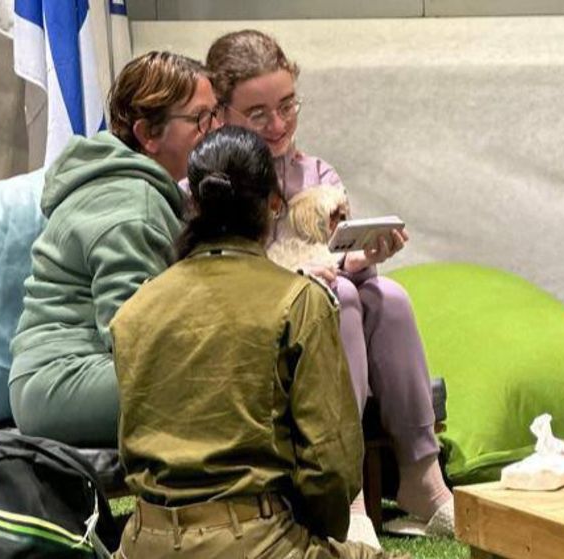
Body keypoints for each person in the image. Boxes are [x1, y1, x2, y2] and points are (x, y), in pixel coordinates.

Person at [206, 30, 454, 542]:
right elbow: (212, 273)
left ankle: (421, 475)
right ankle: (348, 491)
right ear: (222, 113)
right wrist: (299, 277)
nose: (278, 125)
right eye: (257, 115)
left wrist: (364, 257)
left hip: (326, 308)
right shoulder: (210, 180)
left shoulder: (316, 173)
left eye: (287, 105)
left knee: (389, 296)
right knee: (336, 297)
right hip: (252, 330)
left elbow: (335, 261)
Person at [111, 126, 400, 559]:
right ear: (273, 205)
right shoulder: (299, 301)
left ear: (194, 204)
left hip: (142, 542)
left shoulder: (134, 310)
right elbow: (331, 465)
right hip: (256, 542)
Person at [9, 51, 221, 446]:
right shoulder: (132, 205)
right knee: (229, 383)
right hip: (63, 381)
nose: (213, 130)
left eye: (215, 114)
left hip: (74, 377)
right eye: (199, 119)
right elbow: (132, 332)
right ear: (147, 134)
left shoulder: (140, 189)